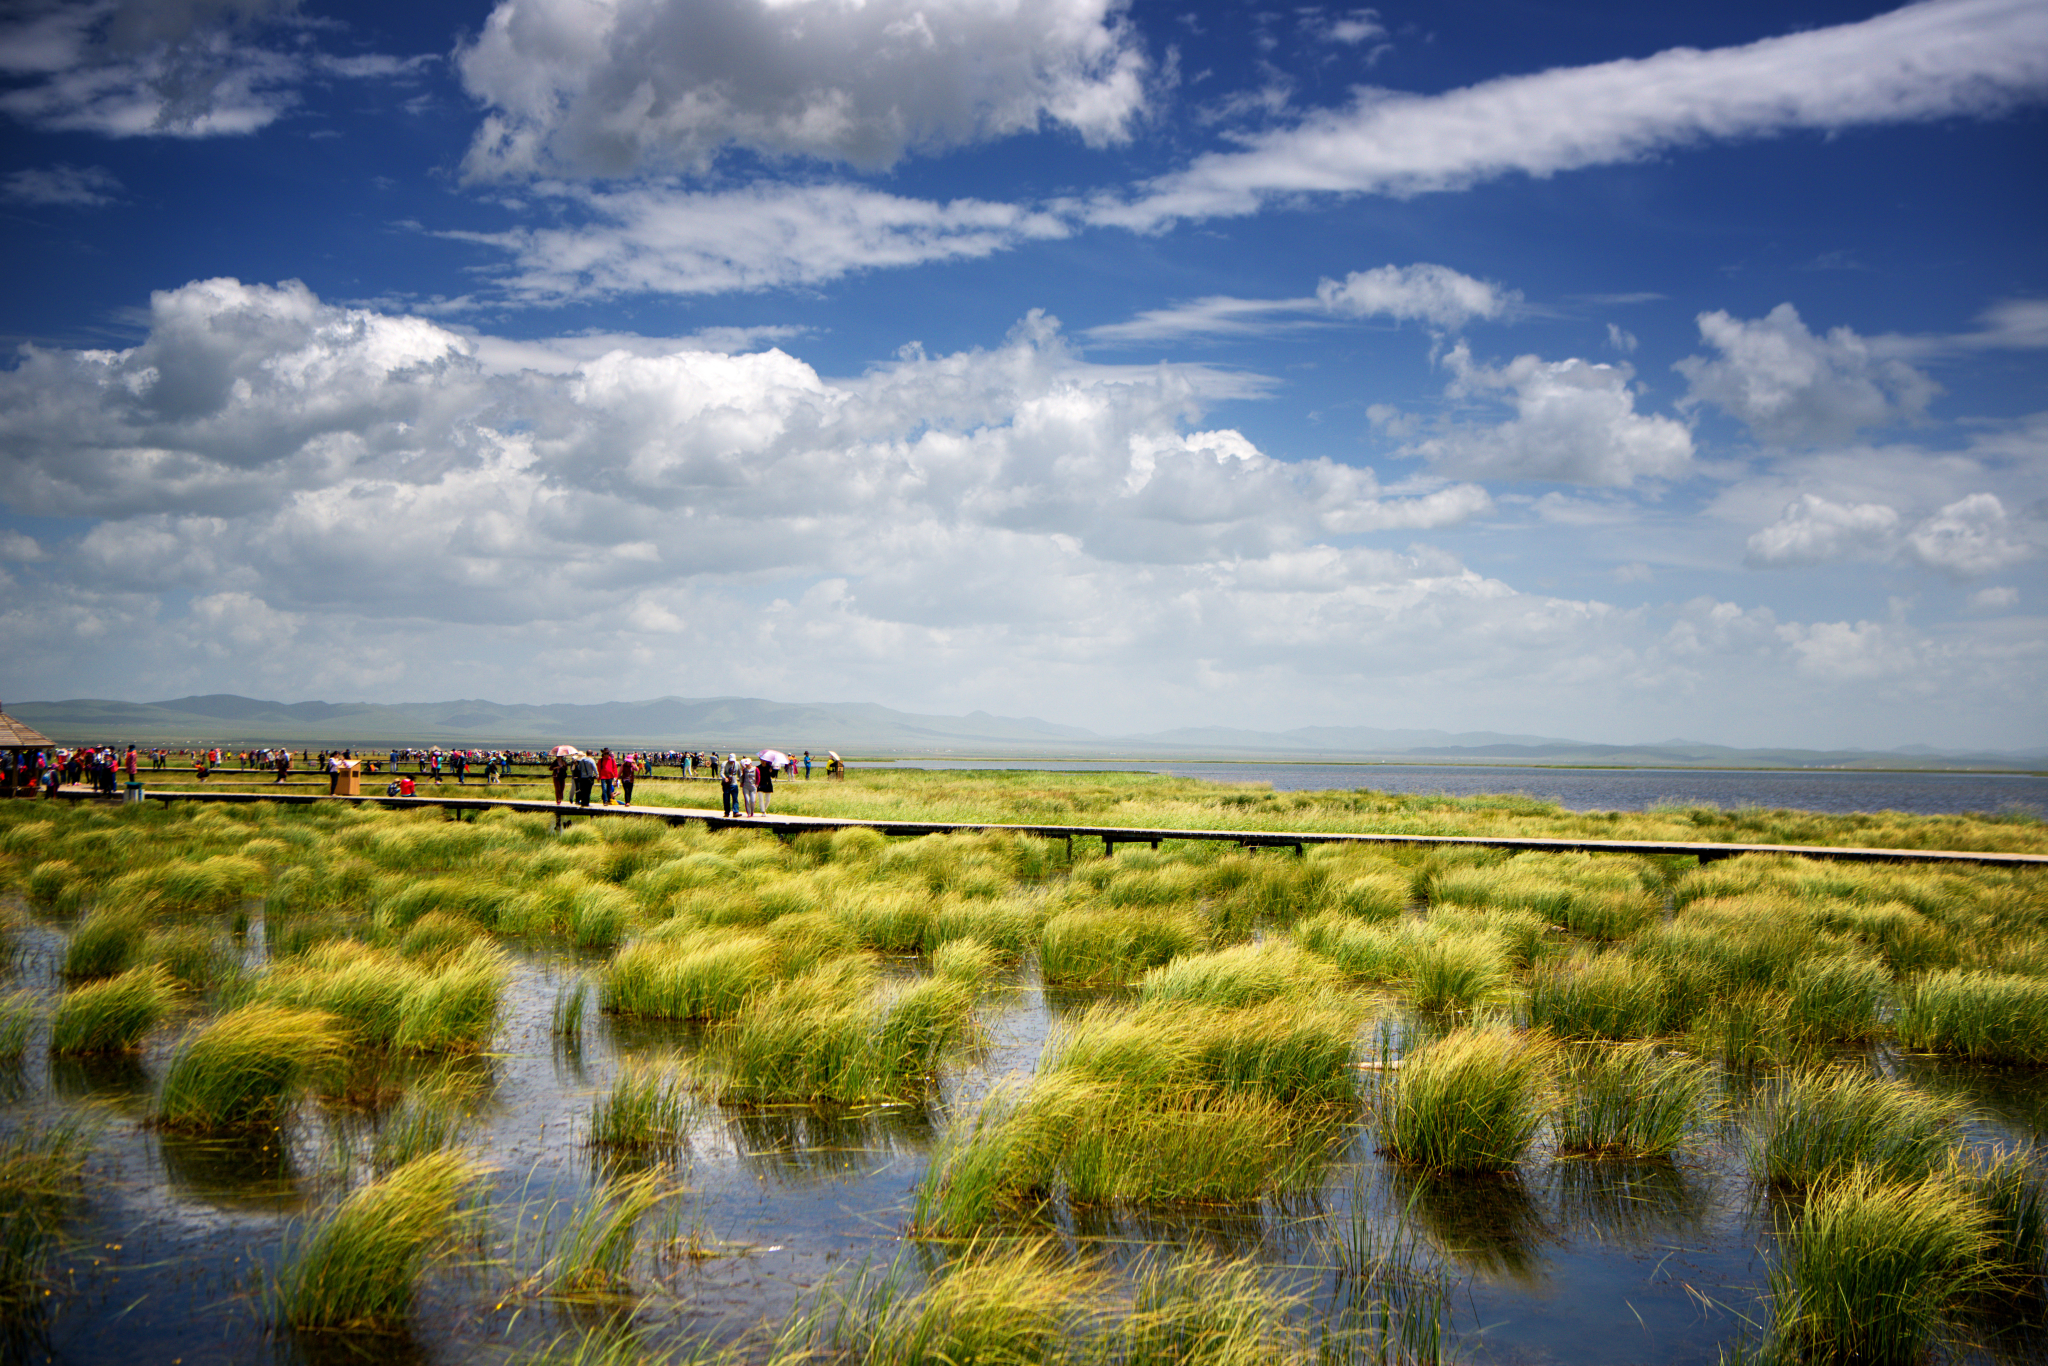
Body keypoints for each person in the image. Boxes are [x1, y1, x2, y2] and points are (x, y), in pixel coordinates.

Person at [720, 753, 740, 817]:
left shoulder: (737, 764)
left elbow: (739, 773)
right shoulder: (724, 764)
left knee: (735, 798)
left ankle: (735, 812)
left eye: (733, 760)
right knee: (726, 799)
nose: (731, 762)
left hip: (734, 784)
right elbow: (721, 773)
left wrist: (742, 780)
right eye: (730, 760)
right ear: (728, 759)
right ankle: (726, 812)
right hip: (726, 784)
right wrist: (725, 778)